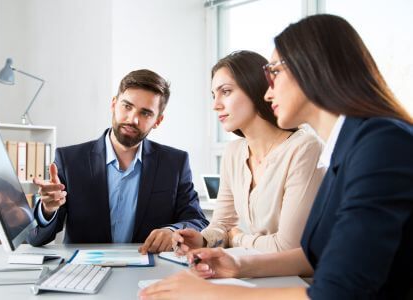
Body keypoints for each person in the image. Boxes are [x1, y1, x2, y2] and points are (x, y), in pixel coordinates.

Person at [139, 14, 413, 299]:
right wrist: (238, 263)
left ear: (313, 68)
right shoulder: (344, 150)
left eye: (274, 73)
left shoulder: (380, 143)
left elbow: (338, 290)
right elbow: (316, 256)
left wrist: (212, 293)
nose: (268, 93)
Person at [28, 69, 209, 253]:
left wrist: (172, 231)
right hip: (85, 272)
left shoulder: (175, 163)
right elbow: (36, 238)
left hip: (149, 273)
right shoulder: (69, 160)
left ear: (158, 120)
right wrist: (48, 210)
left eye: (145, 113)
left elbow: (198, 221)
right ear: (114, 104)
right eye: (127, 106)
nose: (133, 119)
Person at [172, 51, 324, 253]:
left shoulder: (304, 148)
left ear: (255, 88)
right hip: (254, 273)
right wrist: (202, 240)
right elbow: (223, 224)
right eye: (213, 95)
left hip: (297, 279)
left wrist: (238, 239)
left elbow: (289, 246)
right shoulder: (233, 152)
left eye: (225, 92)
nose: (215, 105)